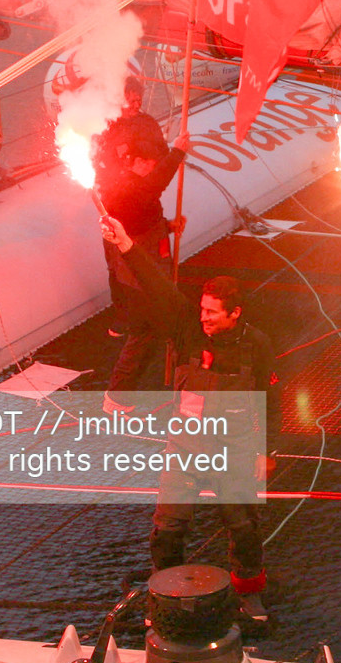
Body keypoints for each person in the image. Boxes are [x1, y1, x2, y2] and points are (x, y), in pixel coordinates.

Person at [99, 214, 277, 621]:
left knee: (244, 528)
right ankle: (163, 595)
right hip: (185, 449)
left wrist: (268, 451)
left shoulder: (257, 346)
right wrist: (127, 244)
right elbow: (158, 287)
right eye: (202, 309)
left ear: (235, 313)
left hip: (234, 452)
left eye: (213, 312)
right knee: (168, 530)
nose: (204, 318)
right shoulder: (187, 329)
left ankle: (249, 595)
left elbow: (272, 398)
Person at [99, 123, 190, 404]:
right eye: (151, 164)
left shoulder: (136, 186)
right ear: (137, 162)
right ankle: (116, 397)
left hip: (153, 268)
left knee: (159, 327)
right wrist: (177, 153)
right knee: (144, 335)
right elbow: (150, 190)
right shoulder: (123, 186)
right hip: (137, 277)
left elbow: (145, 214)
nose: (153, 169)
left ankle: (179, 376)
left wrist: (167, 225)